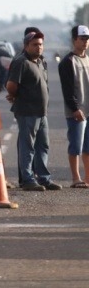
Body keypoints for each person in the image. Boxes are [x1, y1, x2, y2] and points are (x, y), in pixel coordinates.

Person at [6, 30, 62, 191]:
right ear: (26, 46)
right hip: (27, 111)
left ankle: (43, 178)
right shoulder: (20, 62)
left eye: (41, 44)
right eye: (35, 45)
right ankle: (28, 179)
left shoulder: (41, 61)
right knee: (28, 146)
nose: (38, 48)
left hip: (41, 112)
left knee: (43, 145)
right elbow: (11, 85)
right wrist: (14, 95)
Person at [58, 25, 89, 188]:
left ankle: (88, 177)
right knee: (76, 146)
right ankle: (76, 178)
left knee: (88, 147)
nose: (85, 42)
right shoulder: (68, 62)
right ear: (74, 40)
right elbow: (67, 89)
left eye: (87, 39)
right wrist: (75, 108)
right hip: (77, 112)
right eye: (82, 38)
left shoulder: (88, 59)